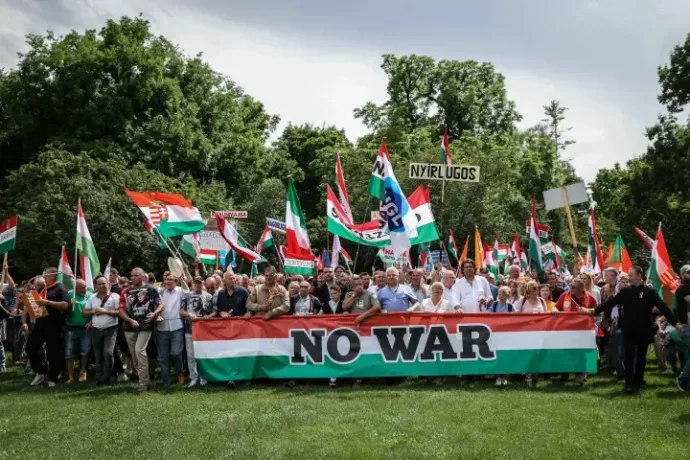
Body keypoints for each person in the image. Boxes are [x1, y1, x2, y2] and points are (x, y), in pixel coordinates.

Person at [589, 266, 682, 395]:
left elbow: (664, 308)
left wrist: (675, 323)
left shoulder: (650, 292)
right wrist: (593, 311)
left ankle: (638, 379)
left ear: (639, 275)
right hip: (628, 329)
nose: (629, 278)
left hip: (644, 329)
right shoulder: (625, 291)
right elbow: (610, 303)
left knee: (641, 357)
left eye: (631, 275)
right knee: (629, 356)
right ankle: (629, 383)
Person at [118, 267, 164, 392]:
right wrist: (128, 319)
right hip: (129, 327)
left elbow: (162, 304)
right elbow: (121, 309)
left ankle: (142, 384)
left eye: (136, 275)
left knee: (140, 351)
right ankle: (146, 379)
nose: (133, 278)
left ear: (143, 276)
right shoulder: (125, 291)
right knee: (134, 356)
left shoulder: (151, 290)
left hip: (145, 325)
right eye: (132, 275)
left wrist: (155, 313)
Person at [24, 268, 70, 387]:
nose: (44, 276)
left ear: (53, 275)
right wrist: (29, 296)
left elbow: (65, 305)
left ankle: (52, 379)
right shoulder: (42, 288)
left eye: (46, 274)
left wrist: (48, 302)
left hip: (55, 325)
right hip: (40, 323)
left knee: (54, 352)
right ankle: (41, 371)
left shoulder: (60, 288)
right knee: (30, 348)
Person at [83, 275, 120, 385]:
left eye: (103, 283)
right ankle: (99, 379)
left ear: (108, 284)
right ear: (96, 286)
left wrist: (105, 311)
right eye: (99, 284)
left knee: (108, 354)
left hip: (111, 329)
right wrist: (93, 312)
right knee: (98, 355)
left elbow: (120, 312)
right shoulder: (92, 297)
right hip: (96, 329)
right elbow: (84, 312)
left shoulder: (115, 297)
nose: (101, 286)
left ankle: (107, 377)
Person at [180, 276, 214, 388]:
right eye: (195, 283)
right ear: (193, 284)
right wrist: (188, 314)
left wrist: (208, 316)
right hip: (189, 329)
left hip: (203, 331)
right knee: (190, 355)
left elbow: (213, 312)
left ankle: (204, 377)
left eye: (199, 283)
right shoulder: (187, 295)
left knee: (203, 354)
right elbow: (181, 311)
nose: (197, 285)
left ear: (203, 283)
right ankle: (193, 378)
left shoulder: (208, 296)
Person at [157, 273, 185, 387]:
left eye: (171, 280)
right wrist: (156, 315)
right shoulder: (159, 291)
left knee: (176, 353)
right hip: (161, 327)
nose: (168, 281)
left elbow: (188, 291)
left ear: (176, 281)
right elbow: (155, 305)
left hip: (177, 326)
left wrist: (183, 274)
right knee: (163, 356)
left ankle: (178, 371)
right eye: (166, 279)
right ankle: (166, 380)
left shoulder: (180, 291)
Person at [65, 279, 92, 384]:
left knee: (85, 351)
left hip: (86, 328)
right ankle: (70, 376)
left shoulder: (90, 295)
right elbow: (64, 311)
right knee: (69, 352)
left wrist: (91, 321)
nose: (84, 289)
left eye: (85, 287)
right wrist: (69, 304)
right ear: (75, 288)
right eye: (81, 288)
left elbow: (94, 309)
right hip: (71, 327)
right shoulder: (69, 294)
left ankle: (83, 372)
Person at [486, 286, 514, 385]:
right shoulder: (494, 305)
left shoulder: (511, 307)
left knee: (506, 356)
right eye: (500, 294)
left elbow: (515, 320)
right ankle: (497, 376)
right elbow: (487, 315)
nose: (501, 296)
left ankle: (505, 376)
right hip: (495, 334)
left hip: (506, 335)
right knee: (497, 355)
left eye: (504, 294)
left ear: (508, 295)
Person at [672, 265, 690, 392]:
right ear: (683, 275)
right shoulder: (684, 288)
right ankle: (683, 378)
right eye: (689, 273)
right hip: (686, 326)